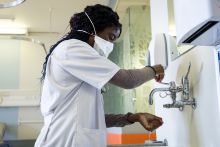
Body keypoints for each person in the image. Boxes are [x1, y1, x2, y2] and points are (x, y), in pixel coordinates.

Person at [35, 4, 164, 147]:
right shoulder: (72, 48)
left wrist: (133, 117)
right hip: (62, 140)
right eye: (110, 37)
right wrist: (155, 69)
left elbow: (94, 120)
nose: (109, 44)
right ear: (92, 30)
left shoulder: (82, 69)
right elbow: (128, 80)